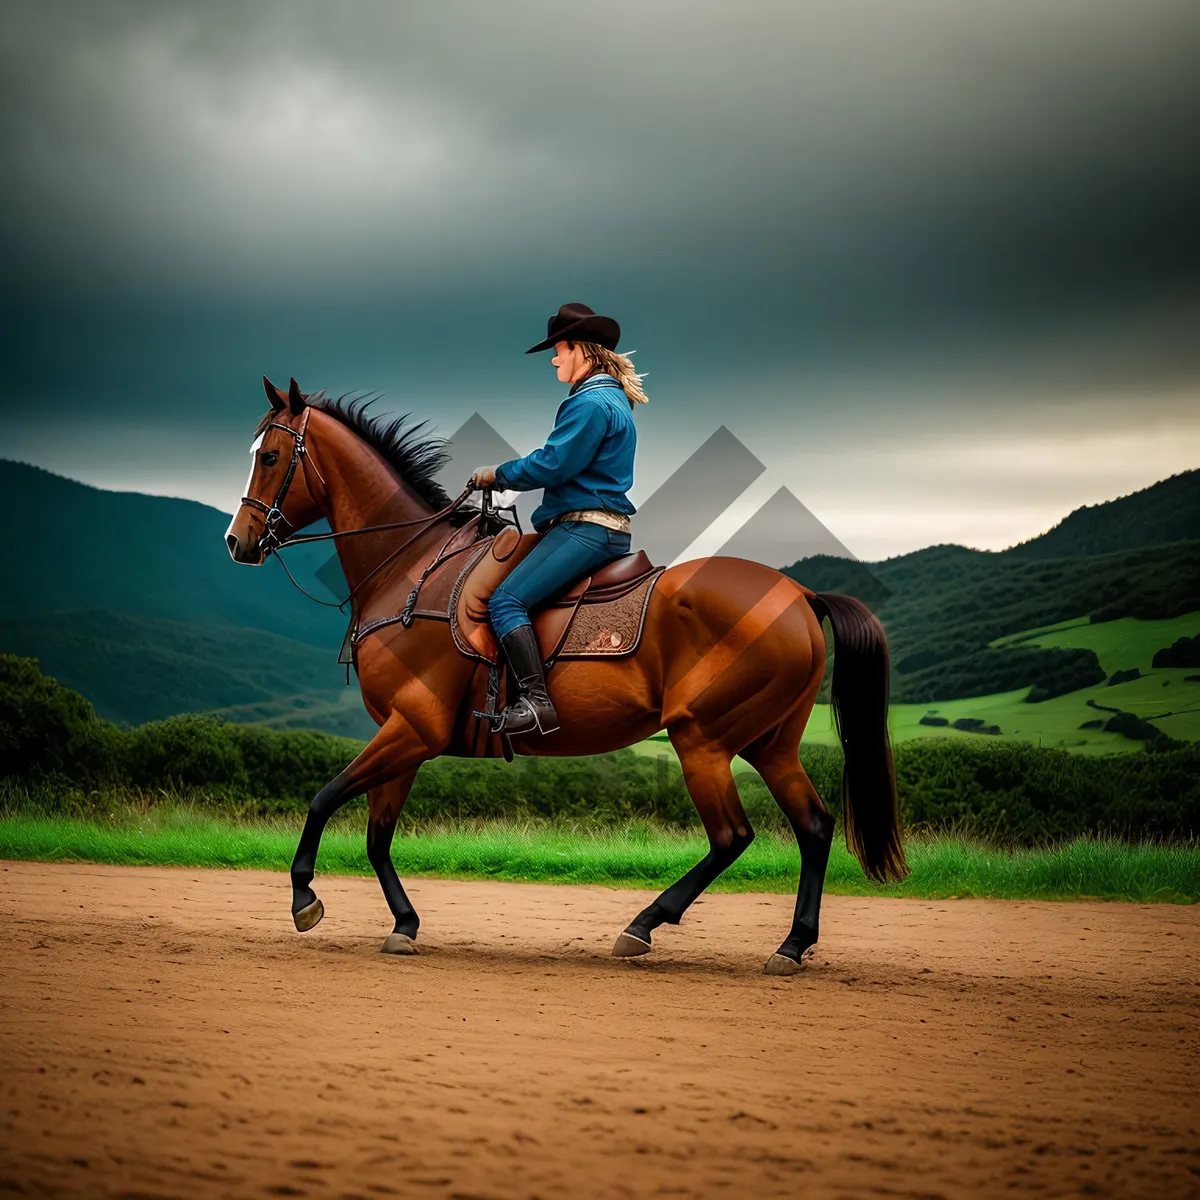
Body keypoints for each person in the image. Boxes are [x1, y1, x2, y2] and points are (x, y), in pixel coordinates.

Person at [470, 302, 648, 736]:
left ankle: (535, 701)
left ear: (582, 351)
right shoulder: (613, 400)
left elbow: (553, 464)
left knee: (505, 601)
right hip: (603, 528)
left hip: (584, 529)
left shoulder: (589, 403)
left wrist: (498, 473)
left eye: (560, 349)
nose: (554, 359)